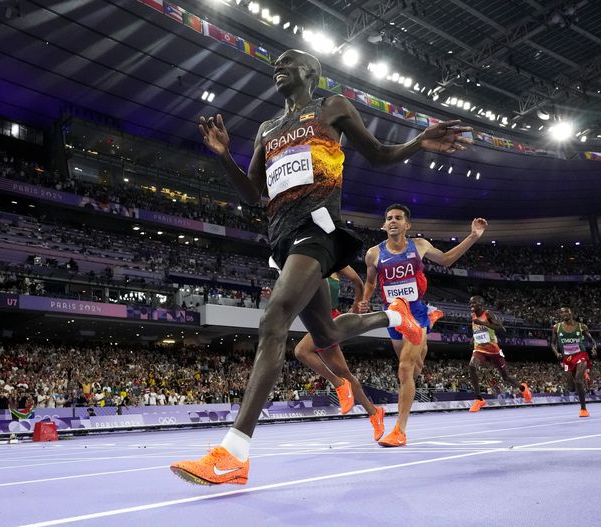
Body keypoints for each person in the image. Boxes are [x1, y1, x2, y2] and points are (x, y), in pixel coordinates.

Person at [170, 49, 472, 486]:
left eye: (288, 61)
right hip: (282, 237)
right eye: (275, 63)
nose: (278, 66)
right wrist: (223, 155)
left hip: (319, 230)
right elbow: (253, 192)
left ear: (311, 72)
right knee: (326, 334)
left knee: (273, 319)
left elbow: (380, 153)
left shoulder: (331, 107)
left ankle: (234, 452)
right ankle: (395, 315)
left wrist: (417, 142)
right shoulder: (267, 129)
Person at [360, 204, 486, 447]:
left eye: (398, 218)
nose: (393, 221)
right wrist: (365, 300)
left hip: (415, 312)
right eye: (389, 218)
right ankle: (428, 329)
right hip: (394, 315)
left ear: (407, 225)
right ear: (384, 225)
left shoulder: (418, 245)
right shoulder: (373, 254)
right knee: (415, 368)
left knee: (405, 369)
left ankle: (400, 430)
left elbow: (447, 260)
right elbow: (370, 282)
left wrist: (473, 236)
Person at [262, 266, 387, 440]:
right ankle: (374, 413)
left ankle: (339, 385)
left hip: (330, 321)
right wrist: (274, 297)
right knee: (344, 372)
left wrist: (356, 307)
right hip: (316, 323)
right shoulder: (298, 269)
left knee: (301, 351)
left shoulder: (333, 260)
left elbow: (358, 282)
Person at [467, 295, 532, 412]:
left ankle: (523, 388)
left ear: (481, 304)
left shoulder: (488, 314)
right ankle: (479, 399)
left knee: (506, 377)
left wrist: (484, 324)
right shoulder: (472, 316)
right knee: (472, 366)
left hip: (493, 350)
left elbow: (502, 329)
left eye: (474, 303)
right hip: (479, 348)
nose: (471, 305)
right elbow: (478, 330)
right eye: (470, 303)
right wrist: (473, 338)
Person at [550, 307, 597, 417]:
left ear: (572, 313)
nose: (564, 313)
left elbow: (592, 341)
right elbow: (552, 343)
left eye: (567, 311)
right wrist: (557, 353)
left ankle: (583, 409)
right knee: (571, 387)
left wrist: (594, 348)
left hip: (580, 355)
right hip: (567, 358)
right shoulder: (556, 327)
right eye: (562, 312)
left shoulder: (581, 326)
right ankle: (584, 374)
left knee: (578, 381)